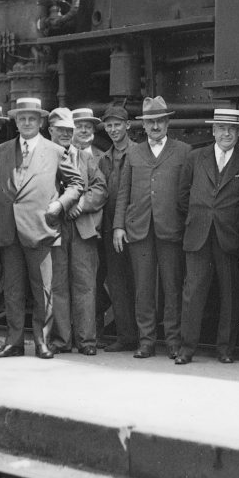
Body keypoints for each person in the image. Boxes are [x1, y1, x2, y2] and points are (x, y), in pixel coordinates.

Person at [0, 97, 83, 359]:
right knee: (13, 290)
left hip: (41, 228)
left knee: (43, 289)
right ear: (16, 122)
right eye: (22, 118)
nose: (27, 123)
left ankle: (42, 341)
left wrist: (60, 205)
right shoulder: (4, 151)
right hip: (9, 230)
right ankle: (14, 342)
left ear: (41, 122)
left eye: (32, 118)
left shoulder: (54, 151)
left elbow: (76, 184)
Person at [113, 96, 191, 359]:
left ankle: (173, 341)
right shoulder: (133, 152)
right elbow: (123, 191)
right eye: (150, 122)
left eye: (160, 121)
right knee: (143, 288)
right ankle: (146, 341)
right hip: (139, 229)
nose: (155, 126)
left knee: (172, 287)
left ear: (168, 123)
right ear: (143, 126)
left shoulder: (183, 151)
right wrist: (118, 227)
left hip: (171, 228)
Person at [175, 108, 239, 365]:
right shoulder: (196, 157)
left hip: (228, 236)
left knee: (230, 295)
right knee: (192, 292)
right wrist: (200, 217)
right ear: (213, 131)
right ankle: (187, 349)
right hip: (198, 234)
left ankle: (225, 349)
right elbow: (183, 195)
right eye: (221, 128)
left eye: (231, 129)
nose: (226, 133)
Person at [48, 107, 108, 355]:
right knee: (58, 285)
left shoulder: (86, 159)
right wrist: (63, 208)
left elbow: (101, 189)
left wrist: (80, 205)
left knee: (85, 285)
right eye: (60, 130)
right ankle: (62, 340)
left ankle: (86, 341)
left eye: (68, 130)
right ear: (50, 131)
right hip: (54, 229)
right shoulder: (45, 157)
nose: (65, 134)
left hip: (83, 230)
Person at [97, 105, 137, 352]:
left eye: (117, 124)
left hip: (135, 225)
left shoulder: (139, 154)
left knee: (140, 282)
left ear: (127, 126)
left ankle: (144, 335)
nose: (112, 130)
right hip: (110, 227)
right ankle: (126, 335)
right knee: (117, 282)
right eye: (109, 125)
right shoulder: (103, 159)